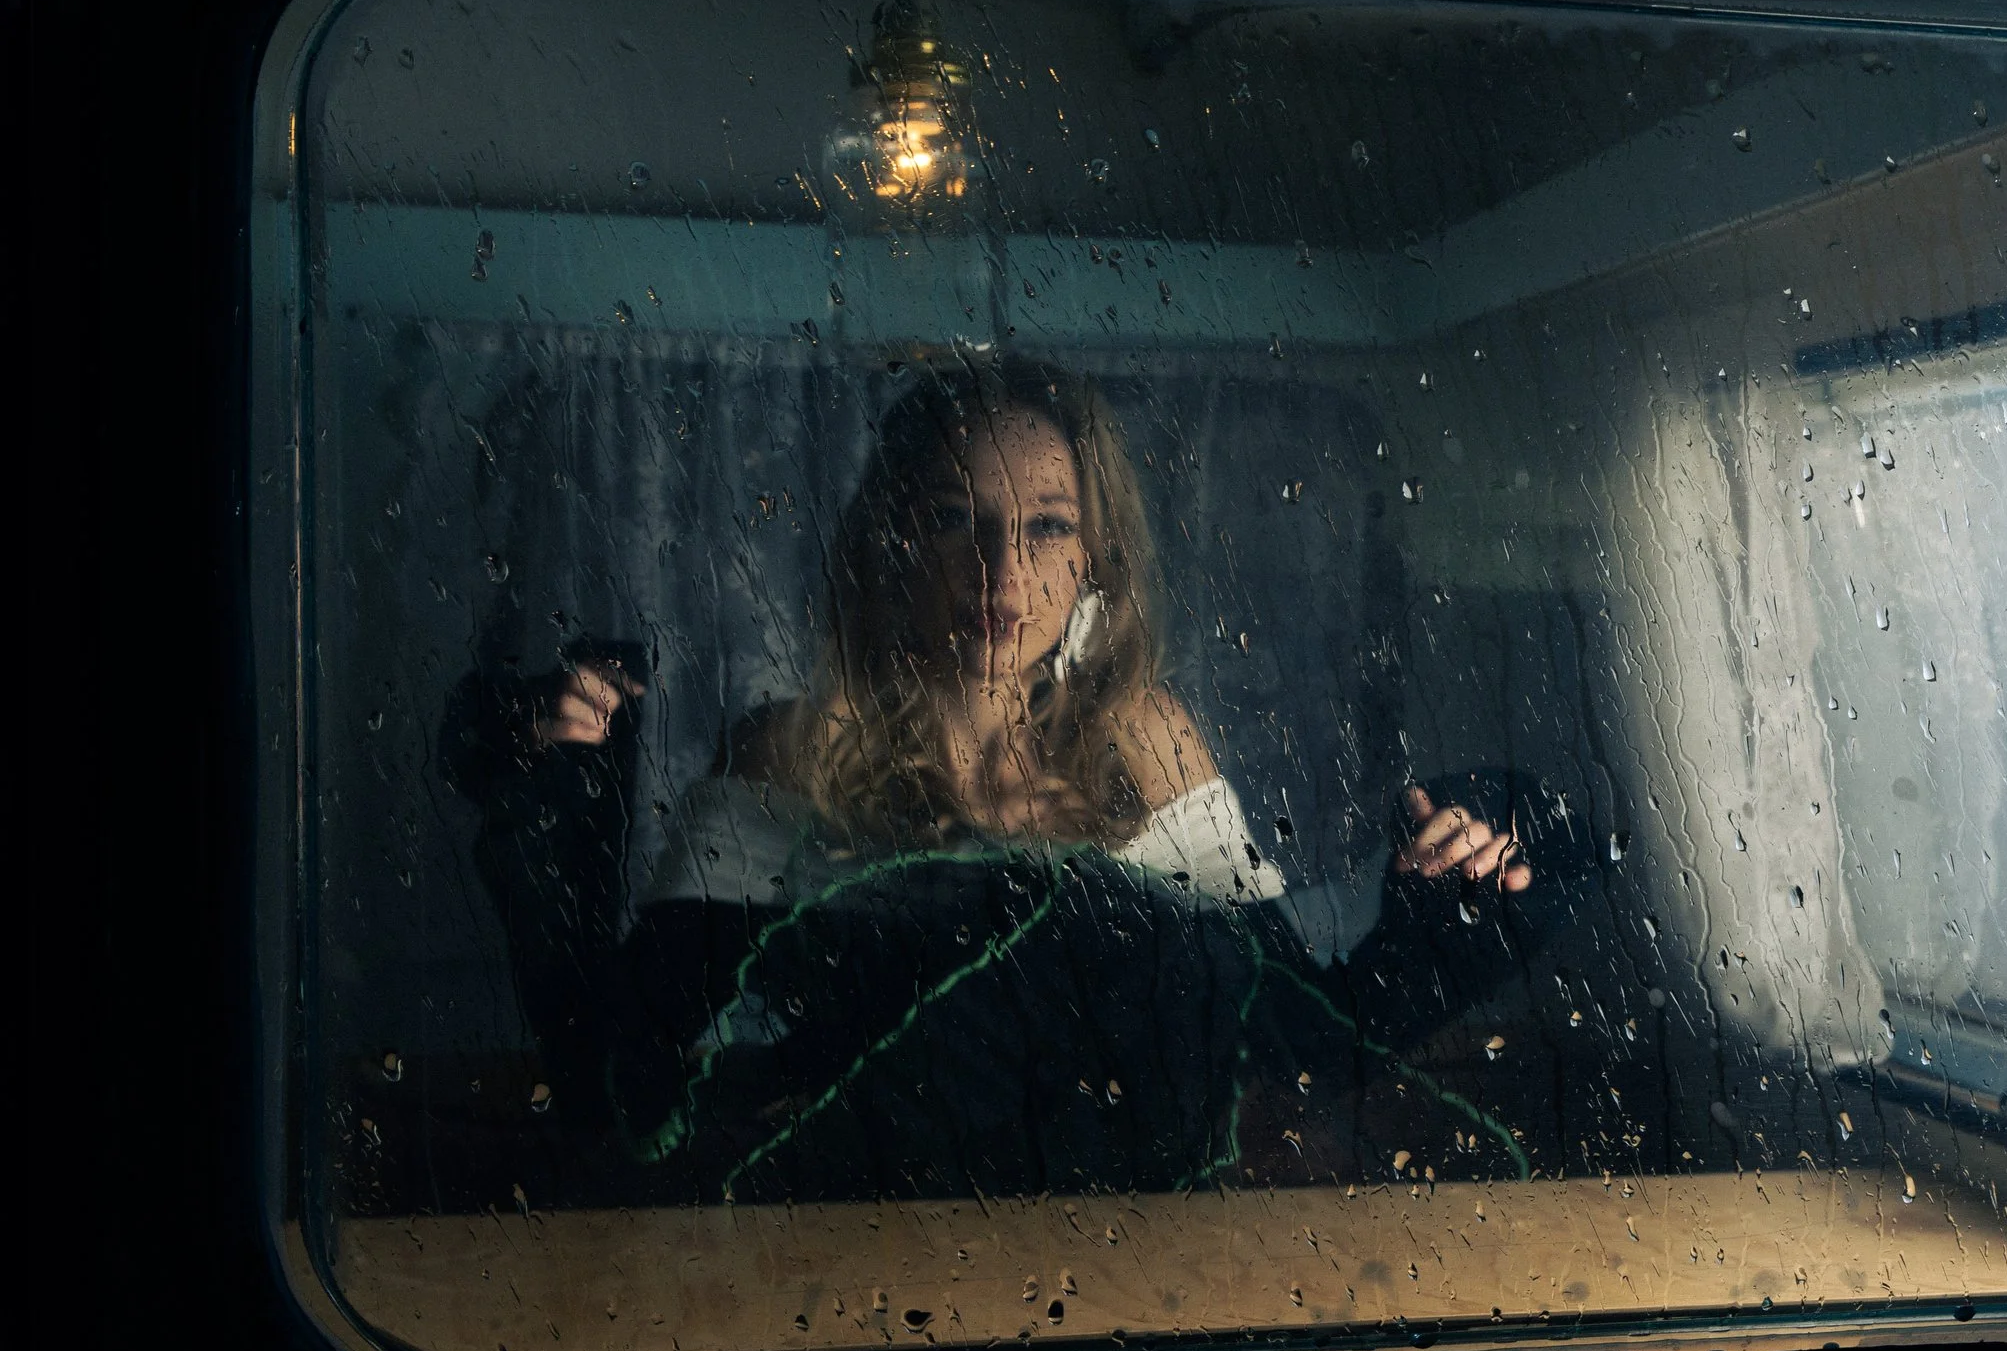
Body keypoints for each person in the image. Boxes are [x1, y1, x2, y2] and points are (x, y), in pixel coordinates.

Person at [449, 353, 1537, 1201]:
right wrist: (559, 795)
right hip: (861, 1250)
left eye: (1047, 525)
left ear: (1095, 555)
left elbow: (1285, 1030)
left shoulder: (1147, 742)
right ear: (892, 542)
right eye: (951, 520)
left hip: (1136, 1254)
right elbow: (627, 1062)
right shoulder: (791, 754)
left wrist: (1436, 907)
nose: (1002, 572)